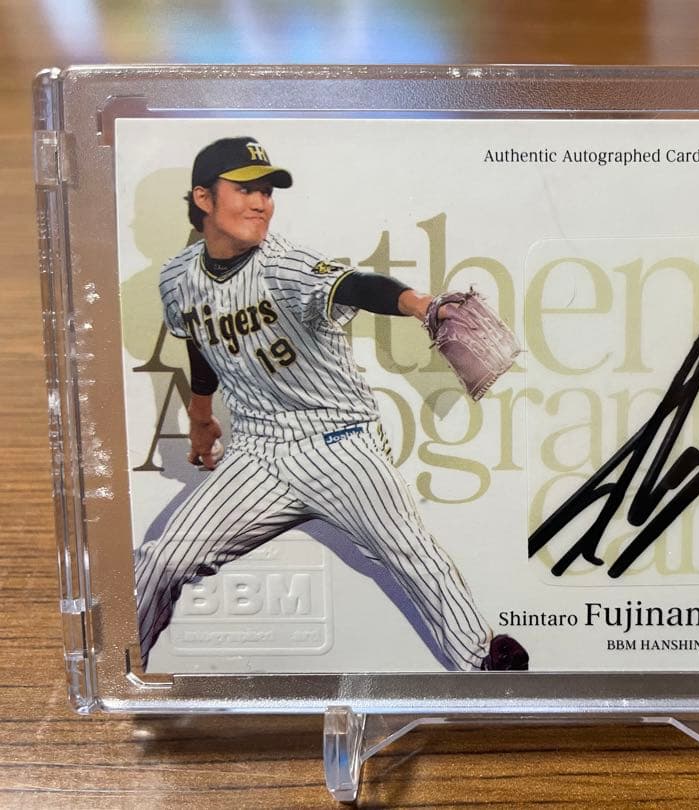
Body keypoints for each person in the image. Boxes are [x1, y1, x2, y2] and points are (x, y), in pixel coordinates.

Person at [134, 136, 528, 673]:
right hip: (257, 451)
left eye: (267, 191)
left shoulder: (283, 266)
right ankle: (123, 673)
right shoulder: (176, 278)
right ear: (204, 198)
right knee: (162, 561)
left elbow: (356, 285)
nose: (261, 203)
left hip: (338, 442)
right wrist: (201, 419)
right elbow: (201, 345)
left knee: (408, 551)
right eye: (246, 189)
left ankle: (484, 667)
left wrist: (420, 304)